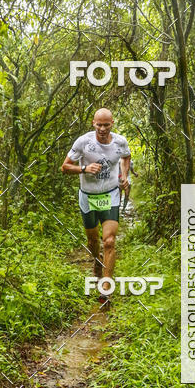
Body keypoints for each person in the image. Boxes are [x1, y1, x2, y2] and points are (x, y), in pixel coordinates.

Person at [61, 108, 131, 305]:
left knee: (109, 241)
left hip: (110, 195)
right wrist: (84, 168)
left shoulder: (120, 141)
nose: (102, 128)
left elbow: (126, 156)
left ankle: (106, 289)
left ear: (112, 124)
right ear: (93, 123)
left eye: (106, 125)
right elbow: (65, 167)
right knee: (93, 242)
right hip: (88, 197)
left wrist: (124, 176)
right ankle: (96, 261)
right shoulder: (84, 142)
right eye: (98, 125)